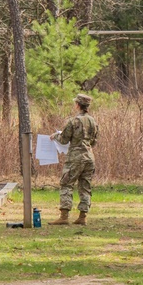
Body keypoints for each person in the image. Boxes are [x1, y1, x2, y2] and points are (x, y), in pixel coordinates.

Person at [50, 93, 99, 225]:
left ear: (77, 105)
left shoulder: (74, 121)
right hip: (89, 157)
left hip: (75, 157)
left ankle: (64, 216)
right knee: (85, 186)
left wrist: (56, 135)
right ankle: (82, 216)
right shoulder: (93, 121)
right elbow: (94, 141)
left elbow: (64, 139)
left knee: (66, 183)